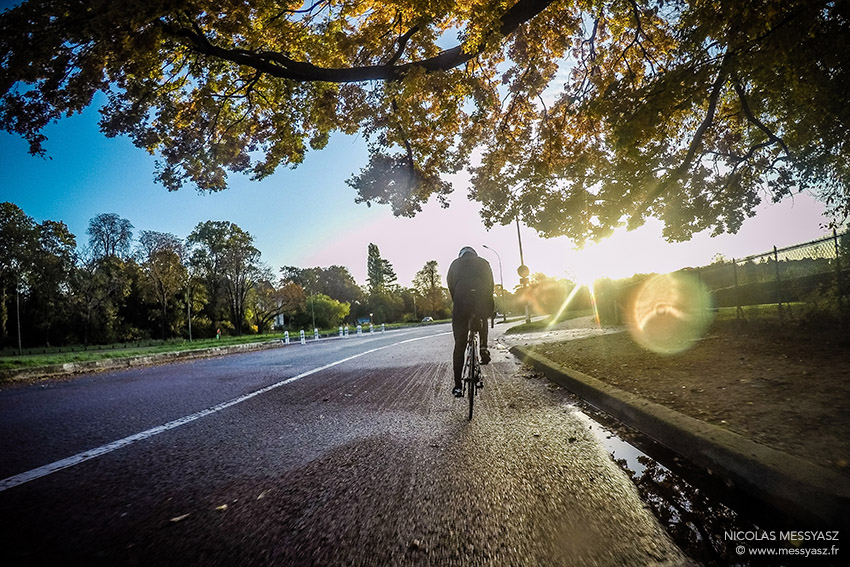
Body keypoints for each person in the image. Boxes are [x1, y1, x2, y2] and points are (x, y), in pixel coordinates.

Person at [447, 246, 495, 397]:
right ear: (475, 254)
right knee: (483, 316)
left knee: (459, 346)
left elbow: (451, 287)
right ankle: (483, 348)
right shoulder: (484, 263)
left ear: (461, 255)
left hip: (461, 303)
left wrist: (458, 303)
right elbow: (490, 285)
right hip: (481, 301)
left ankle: (458, 386)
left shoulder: (455, 264)